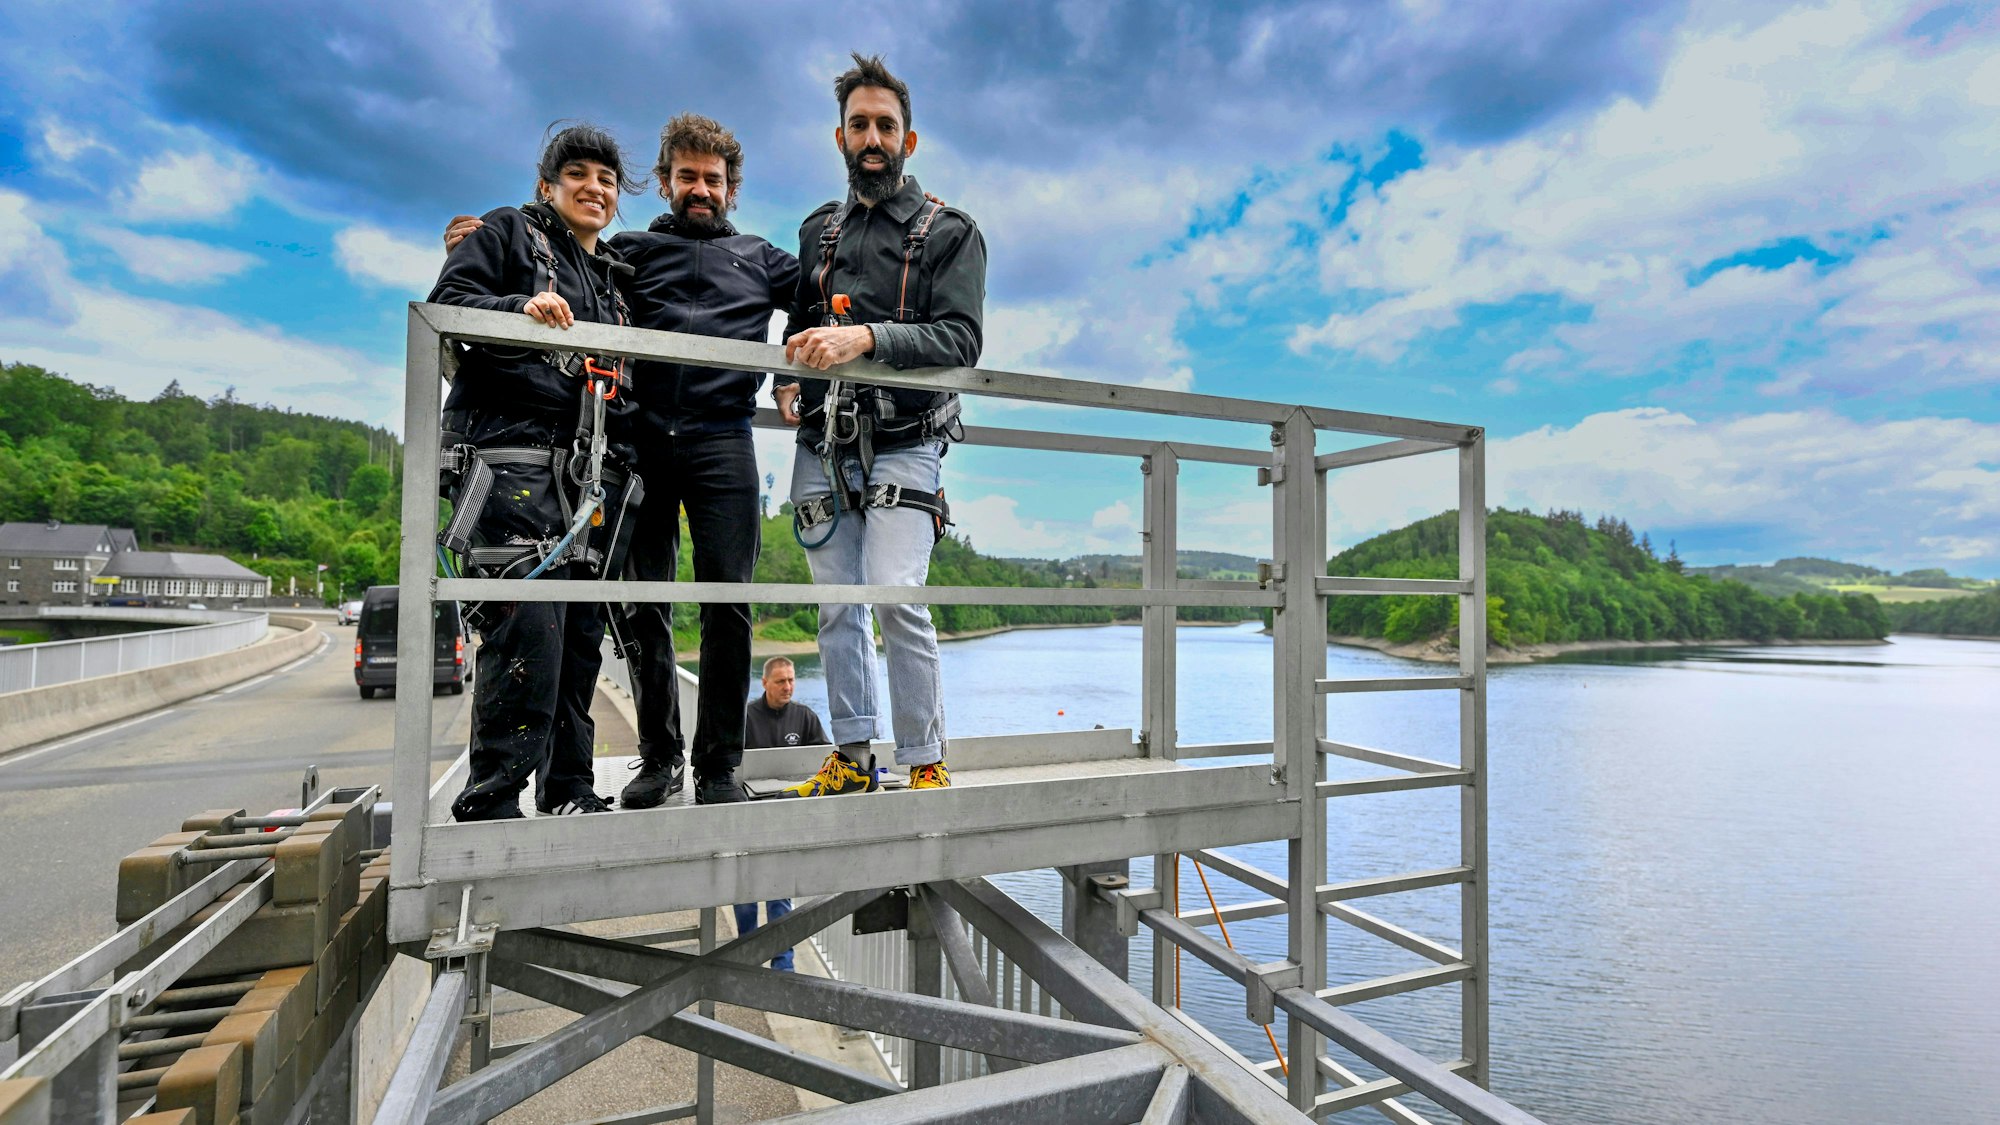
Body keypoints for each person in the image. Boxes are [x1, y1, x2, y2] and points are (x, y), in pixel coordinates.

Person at [446, 114, 800, 807]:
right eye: (688, 177)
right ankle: (660, 755)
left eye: (714, 179)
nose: (701, 190)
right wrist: (477, 250)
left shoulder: (762, 257)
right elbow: (545, 268)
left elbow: (821, 298)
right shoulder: (625, 255)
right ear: (666, 182)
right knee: (641, 606)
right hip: (638, 442)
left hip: (723, 439)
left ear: (732, 189)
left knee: (728, 603)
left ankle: (721, 766)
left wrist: (799, 380)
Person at [774, 54, 987, 797]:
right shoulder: (817, 232)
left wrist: (866, 339)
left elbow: (961, 339)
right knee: (837, 607)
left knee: (894, 595)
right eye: (859, 125)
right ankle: (855, 754)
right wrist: (787, 378)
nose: (873, 137)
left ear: (910, 140)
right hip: (824, 445)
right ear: (839, 138)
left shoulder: (951, 233)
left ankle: (925, 758)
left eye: (885, 126)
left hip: (906, 441)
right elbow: (801, 320)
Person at [429, 123, 643, 821]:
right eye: (578, 174)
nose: (595, 188)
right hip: (510, 461)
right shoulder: (507, 233)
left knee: (581, 639)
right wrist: (516, 308)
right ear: (547, 186)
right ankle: (491, 799)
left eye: (607, 180)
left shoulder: (609, 276)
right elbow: (450, 304)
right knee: (527, 631)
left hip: (584, 479)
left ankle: (569, 788)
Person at [733, 656, 829, 968]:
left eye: (791, 680)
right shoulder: (745, 717)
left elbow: (826, 763)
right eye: (780, 681)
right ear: (764, 683)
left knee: (779, 896)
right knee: (745, 895)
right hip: (747, 821)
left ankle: (782, 965)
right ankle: (747, 959)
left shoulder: (805, 717)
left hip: (787, 822)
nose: (787, 686)